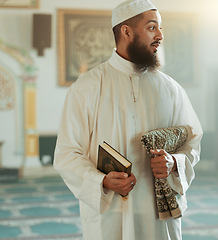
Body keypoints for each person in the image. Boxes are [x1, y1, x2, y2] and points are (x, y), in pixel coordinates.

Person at [53, 0, 202, 239]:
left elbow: (192, 141)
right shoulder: (88, 87)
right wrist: (102, 181)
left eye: (160, 28)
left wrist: (174, 162)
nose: (160, 35)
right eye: (152, 27)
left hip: (157, 217)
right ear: (126, 31)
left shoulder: (171, 89)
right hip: (111, 214)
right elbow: (67, 154)